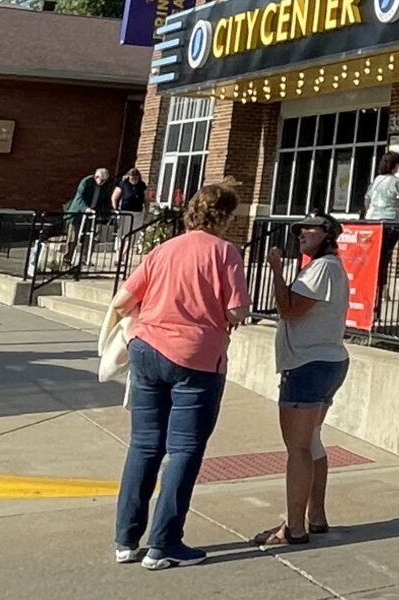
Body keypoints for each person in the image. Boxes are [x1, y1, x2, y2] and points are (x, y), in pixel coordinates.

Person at [110, 181, 249, 570]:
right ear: (222, 216)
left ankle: (126, 539)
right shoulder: (225, 253)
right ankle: (164, 542)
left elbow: (122, 302)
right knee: (185, 450)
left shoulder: (162, 249)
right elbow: (237, 311)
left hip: (147, 350)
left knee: (143, 445)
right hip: (197, 359)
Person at [254, 214, 351, 549]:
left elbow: (289, 309)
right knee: (311, 442)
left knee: (298, 448)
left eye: (309, 229)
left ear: (327, 235)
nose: (301, 234)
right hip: (324, 362)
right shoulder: (323, 268)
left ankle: (294, 528)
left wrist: (277, 270)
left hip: (309, 365)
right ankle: (316, 515)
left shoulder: (324, 267)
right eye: (299, 230)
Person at [362, 151, 399, 298]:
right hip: (390, 222)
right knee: (385, 256)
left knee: (374, 256)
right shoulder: (397, 182)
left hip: (372, 221)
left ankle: (372, 286)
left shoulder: (377, 180)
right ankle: (381, 289)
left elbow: (367, 200)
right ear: (395, 165)